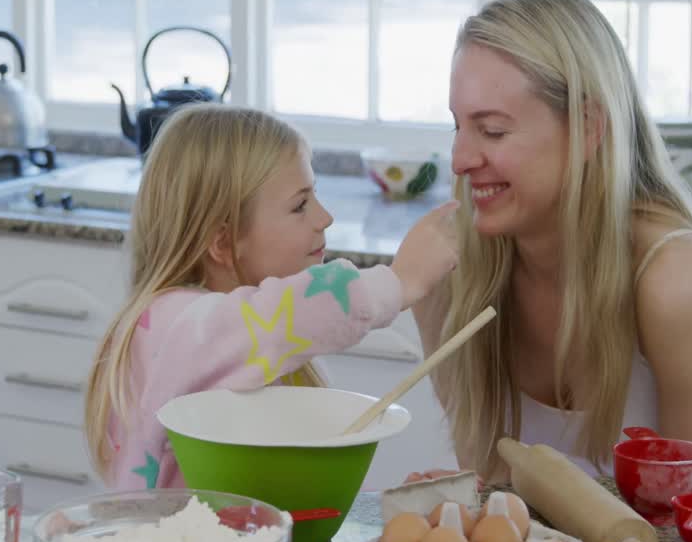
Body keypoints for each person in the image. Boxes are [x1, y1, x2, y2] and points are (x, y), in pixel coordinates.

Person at [407, 0, 692, 512]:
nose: (460, 159)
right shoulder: (448, 271)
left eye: (493, 131)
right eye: (458, 126)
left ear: (588, 128)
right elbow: (503, 495)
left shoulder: (673, 276)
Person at [83, 103, 459, 490]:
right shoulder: (175, 323)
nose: (325, 217)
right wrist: (398, 282)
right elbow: (298, 310)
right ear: (223, 241)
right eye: (300, 205)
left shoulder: (255, 348)